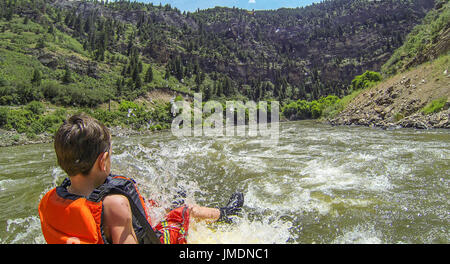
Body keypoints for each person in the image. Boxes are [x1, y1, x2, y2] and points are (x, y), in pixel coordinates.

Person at [38, 114, 244, 244]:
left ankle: (173, 202)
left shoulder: (50, 200)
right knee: (185, 210)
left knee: (154, 202)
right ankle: (225, 213)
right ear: (103, 160)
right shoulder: (115, 205)